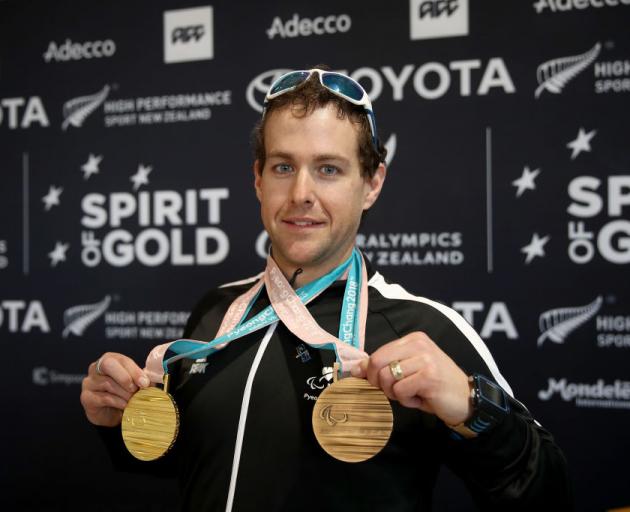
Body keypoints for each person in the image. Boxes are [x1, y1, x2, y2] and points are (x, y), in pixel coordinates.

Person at [80, 67, 571, 511]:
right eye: (283, 167)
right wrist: (117, 421)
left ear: (373, 183)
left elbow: (546, 493)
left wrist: (472, 405)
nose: (300, 194)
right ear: (257, 179)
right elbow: (197, 466)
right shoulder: (215, 313)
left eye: (329, 169)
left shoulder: (424, 328)